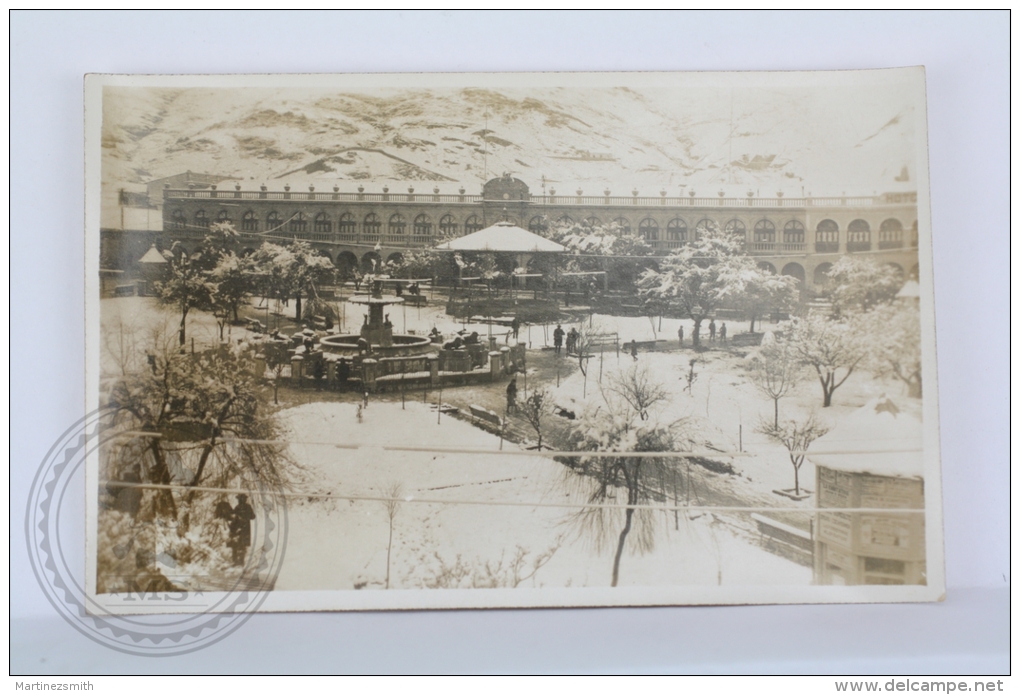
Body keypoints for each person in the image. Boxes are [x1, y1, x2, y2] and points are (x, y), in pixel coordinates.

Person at [228, 494, 256, 567]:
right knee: (238, 545)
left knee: (240, 545)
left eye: (241, 499)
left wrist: (243, 517)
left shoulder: (244, 507)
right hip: (241, 529)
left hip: (242, 529)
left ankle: (239, 561)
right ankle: (238, 561)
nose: (241, 501)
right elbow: (232, 516)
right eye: (240, 499)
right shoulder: (240, 507)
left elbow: (253, 516)